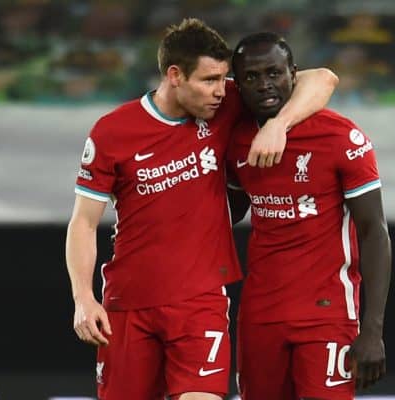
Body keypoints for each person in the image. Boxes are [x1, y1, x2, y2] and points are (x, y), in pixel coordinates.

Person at [65, 19, 338, 400]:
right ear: (175, 75)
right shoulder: (113, 132)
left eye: (223, 79)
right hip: (128, 303)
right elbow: (83, 222)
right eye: (209, 80)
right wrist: (83, 298)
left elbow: (322, 78)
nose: (219, 91)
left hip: (201, 301)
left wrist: (279, 125)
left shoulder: (223, 106)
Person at [227, 32, 392, 400]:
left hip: (326, 313)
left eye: (274, 73)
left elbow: (374, 231)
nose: (264, 84)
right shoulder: (236, 138)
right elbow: (233, 209)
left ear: (294, 74)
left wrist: (373, 331)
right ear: (238, 85)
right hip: (260, 315)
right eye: (251, 77)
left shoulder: (341, 137)